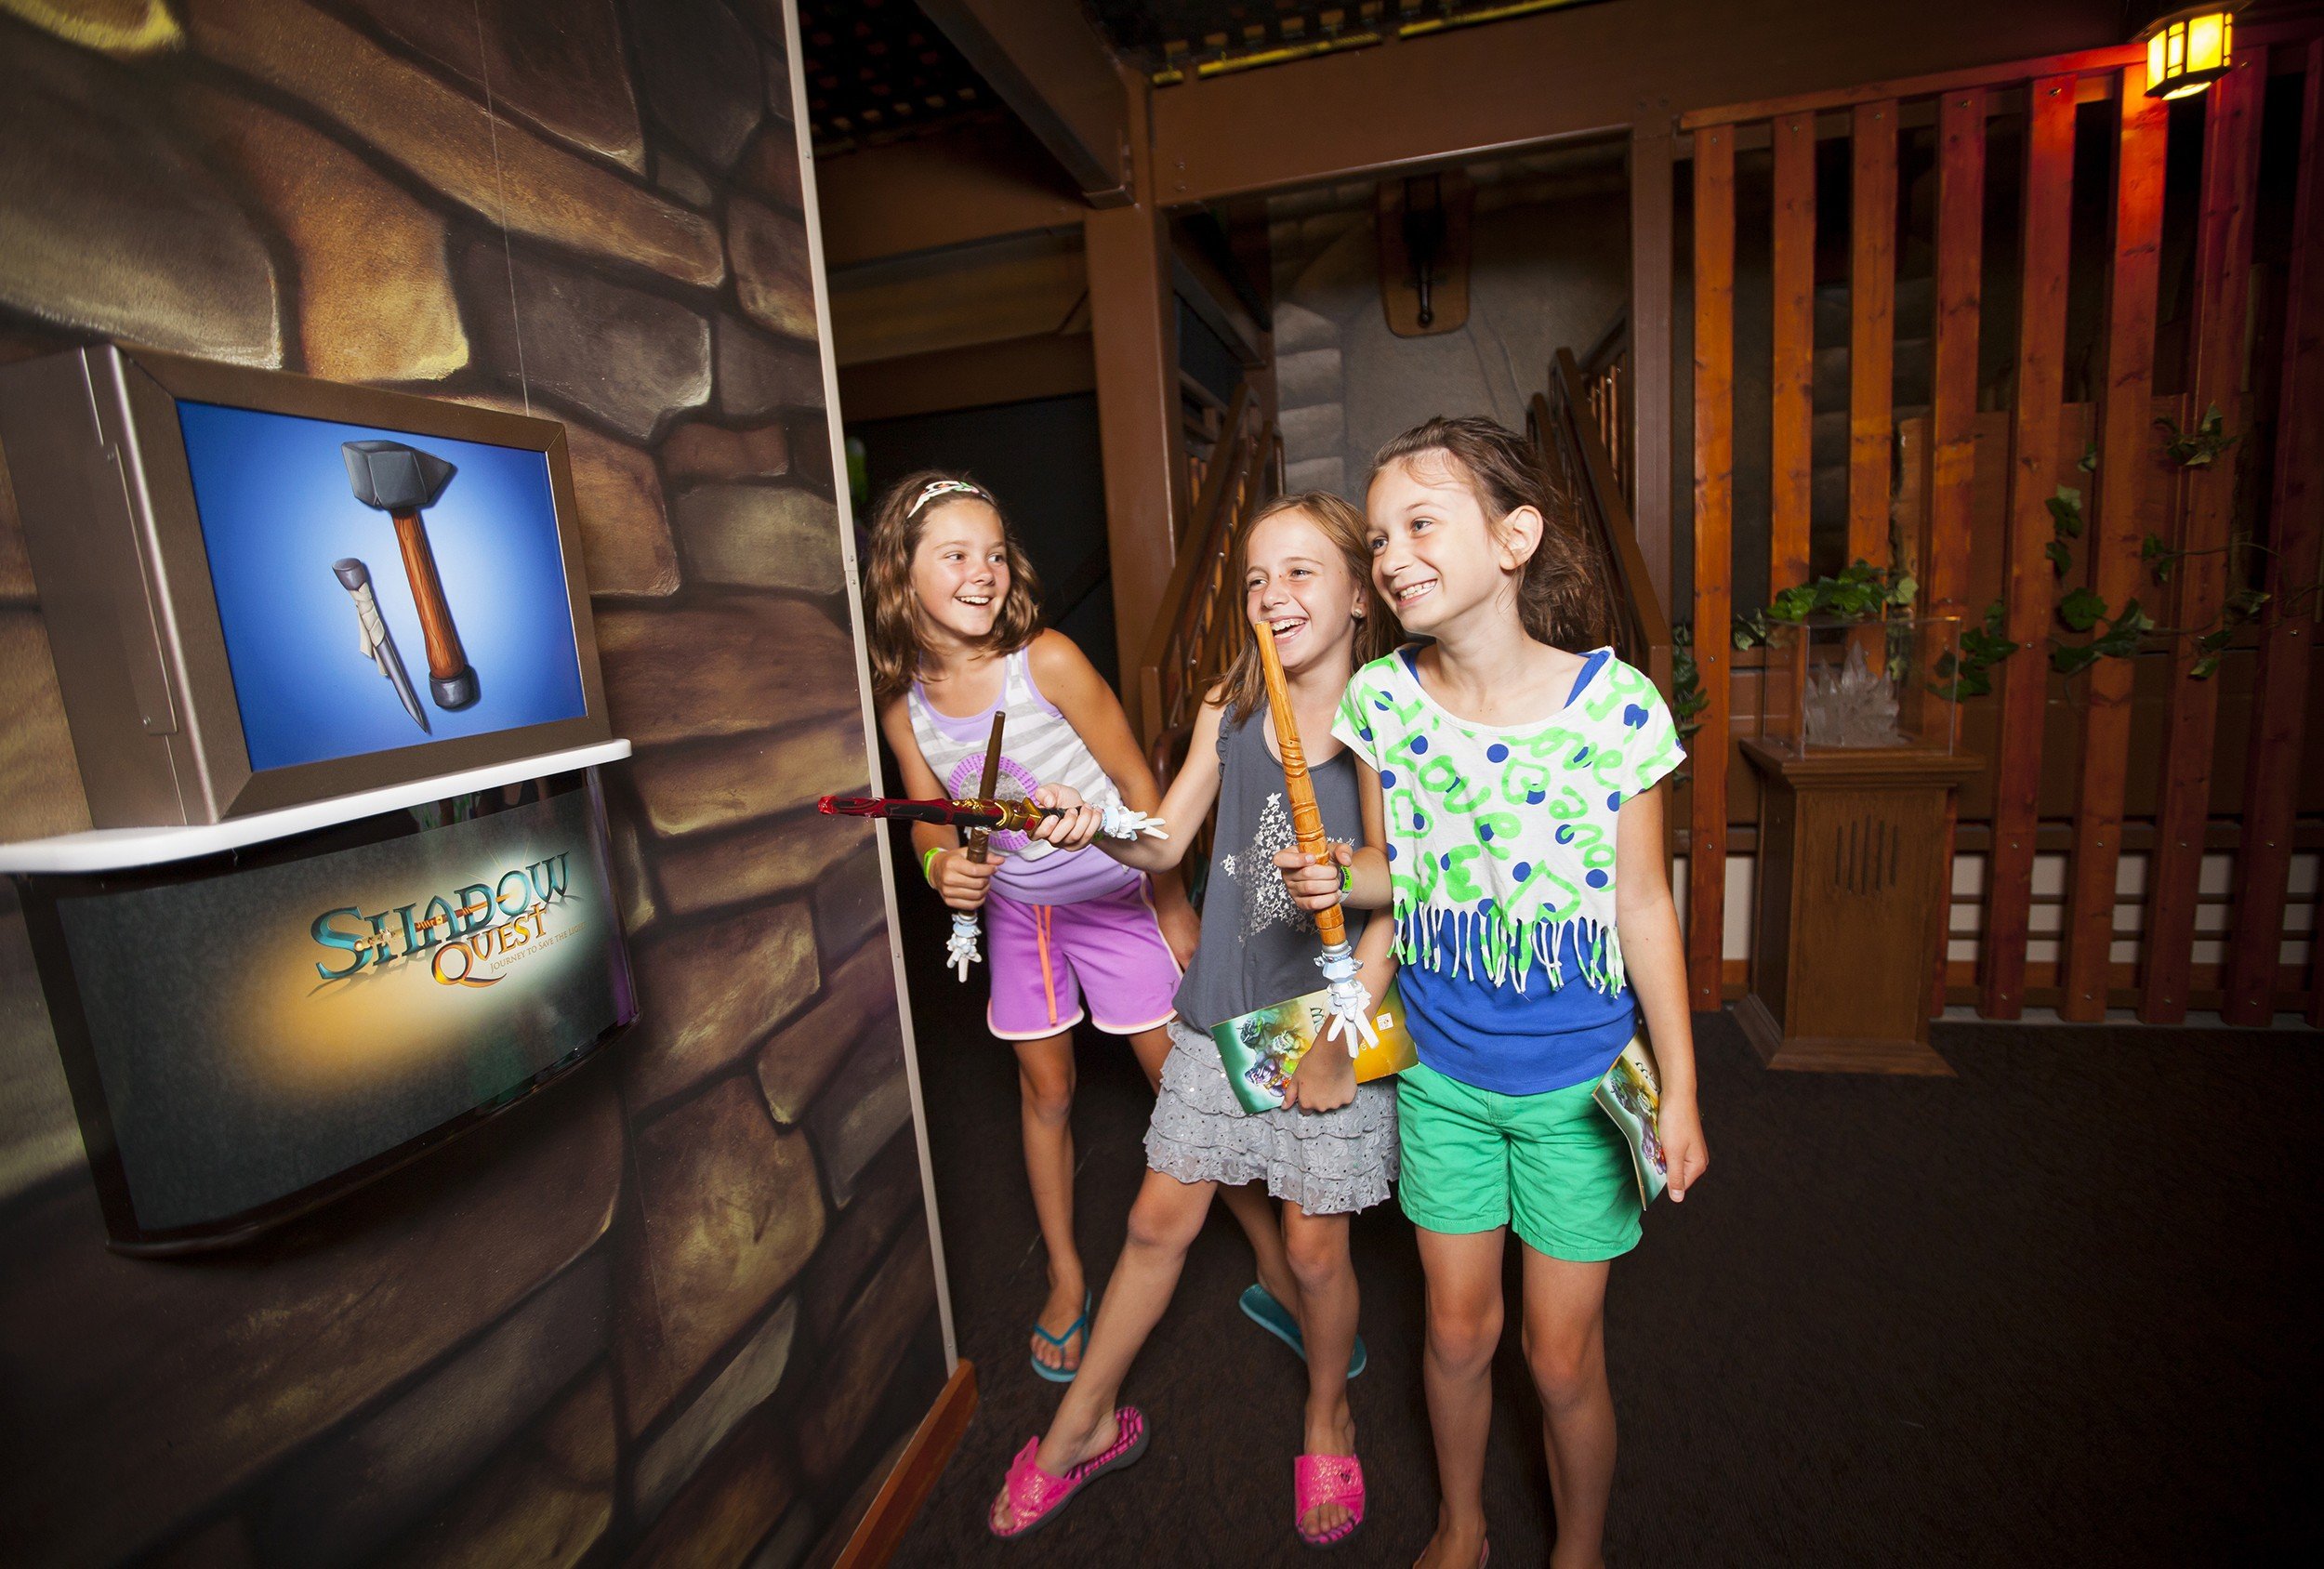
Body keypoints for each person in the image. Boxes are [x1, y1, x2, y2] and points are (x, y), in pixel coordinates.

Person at [1278, 418, 1710, 1569]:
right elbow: (1398, 875)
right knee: (1458, 1331)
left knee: (1560, 1358)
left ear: (1515, 538)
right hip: (1444, 1080)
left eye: (1421, 523)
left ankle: (1579, 1548)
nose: (1392, 555)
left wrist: (1680, 1089)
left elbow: (1643, 906)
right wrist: (1338, 886)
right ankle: (1461, 1523)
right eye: (1379, 537)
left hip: (1579, 1087)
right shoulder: (1382, 699)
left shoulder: (1617, 707)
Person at [985, 493, 1401, 1548]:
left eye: (1301, 572)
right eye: (1257, 578)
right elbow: (1166, 842)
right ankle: (1079, 1426)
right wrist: (1095, 828)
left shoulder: (1393, 713)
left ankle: (1328, 1413)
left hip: (1329, 1018)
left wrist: (1334, 1039)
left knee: (1313, 1254)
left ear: (1360, 594)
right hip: (1224, 1009)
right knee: (1154, 1223)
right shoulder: (1235, 699)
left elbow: (1405, 891)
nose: (1273, 594)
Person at [865, 471, 1287, 1382]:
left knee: (1188, 1091)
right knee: (1046, 1092)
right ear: (901, 573)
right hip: (1021, 915)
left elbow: (1139, 786)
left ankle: (1275, 1259)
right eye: (955, 554)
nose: (982, 572)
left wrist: (1171, 903)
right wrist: (942, 868)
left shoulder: (1046, 659)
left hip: (1115, 896)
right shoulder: (902, 702)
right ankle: (1065, 1275)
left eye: (993, 553)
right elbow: (930, 819)